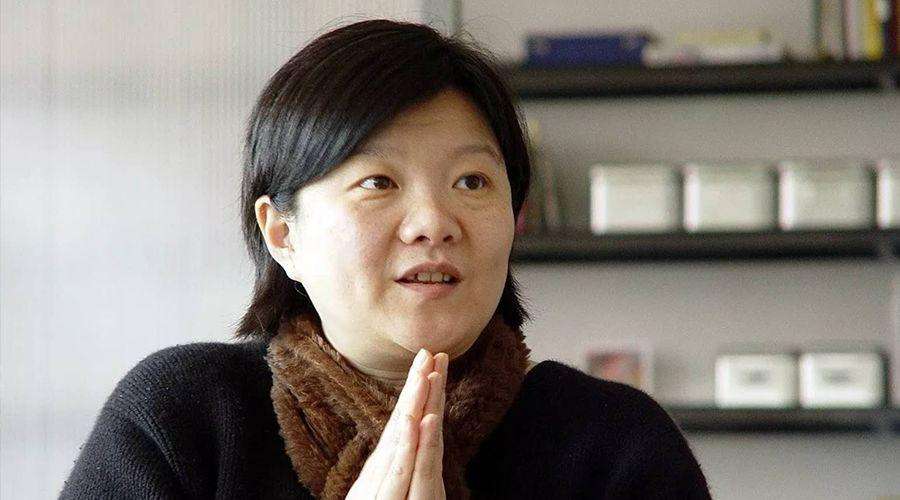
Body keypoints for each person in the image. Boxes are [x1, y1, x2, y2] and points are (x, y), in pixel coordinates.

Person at [59, 19, 712, 500]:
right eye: (378, 182)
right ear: (282, 233)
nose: (434, 222)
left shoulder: (614, 443)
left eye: (472, 182)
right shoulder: (183, 419)